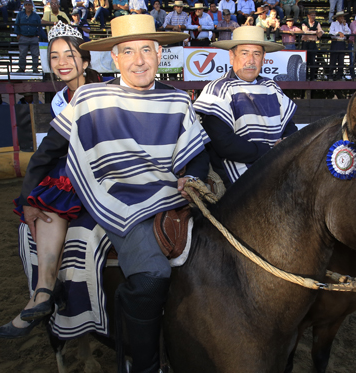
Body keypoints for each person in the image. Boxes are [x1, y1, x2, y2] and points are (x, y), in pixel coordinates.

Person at [12, 16, 210, 373]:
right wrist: (29, 198)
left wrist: (193, 176)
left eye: (147, 50)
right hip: (120, 202)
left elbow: (196, 154)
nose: (139, 60)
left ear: (159, 53)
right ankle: (143, 365)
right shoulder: (91, 97)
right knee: (151, 275)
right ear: (115, 58)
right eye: (129, 51)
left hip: (174, 198)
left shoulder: (178, 101)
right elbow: (49, 150)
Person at [0, 22, 100, 339]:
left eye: (69, 55)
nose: (62, 62)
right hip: (73, 171)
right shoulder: (59, 100)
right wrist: (28, 198)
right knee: (49, 197)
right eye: (55, 57)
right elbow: (47, 152)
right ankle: (43, 291)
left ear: (85, 60)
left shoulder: (105, 90)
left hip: (106, 168)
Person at [193, 25, 296, 185]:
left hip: (276, 165)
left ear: (263, 58)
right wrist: (270, 152)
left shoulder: (271, 87)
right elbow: (223, 143)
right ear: (231, 57)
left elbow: (289, 127)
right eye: (244, 53)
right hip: (234, 179)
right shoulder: (218, 89)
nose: (251, 60)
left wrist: (287, 142)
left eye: (256, 54)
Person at [15, 0, 42, 72]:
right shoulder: (20, 14)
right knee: (22, 53)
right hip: (23, 36)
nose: (28, 6)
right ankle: (21, 67)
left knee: (35, 54)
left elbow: (39, 26)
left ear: (32, 6)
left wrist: (38, 35)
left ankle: (35, 68)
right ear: (24, 6)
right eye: (26, 4)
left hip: (34, 37)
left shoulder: (36, 16)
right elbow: (17, 24)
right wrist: (17, 34)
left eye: (29, 5)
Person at [301, 9, 323, 79]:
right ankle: (305, 76)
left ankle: (312, 77)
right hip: (306, 43)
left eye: (314, 15)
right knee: (305, 61)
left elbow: (321, 31)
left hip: (313, 43)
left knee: (312, 61)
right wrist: (315, 32)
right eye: (312, 15)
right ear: (308, 16)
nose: (313, 16)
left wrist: (320, 33)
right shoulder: (304, 22)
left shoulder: (317, 23)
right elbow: (305, 31)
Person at [329, 11, 350, 80]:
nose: (342, 18)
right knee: (333, 60)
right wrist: (338, 32)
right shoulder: (334, 24)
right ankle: (330, 76)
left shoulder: (345, 24)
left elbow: (349, 32)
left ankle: (339, 76)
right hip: (335, 42)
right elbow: (331, 32)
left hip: (342, 43)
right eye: (341, 16)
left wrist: (344, 25)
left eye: (342, 16)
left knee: (341, 61)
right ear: (337, 17)